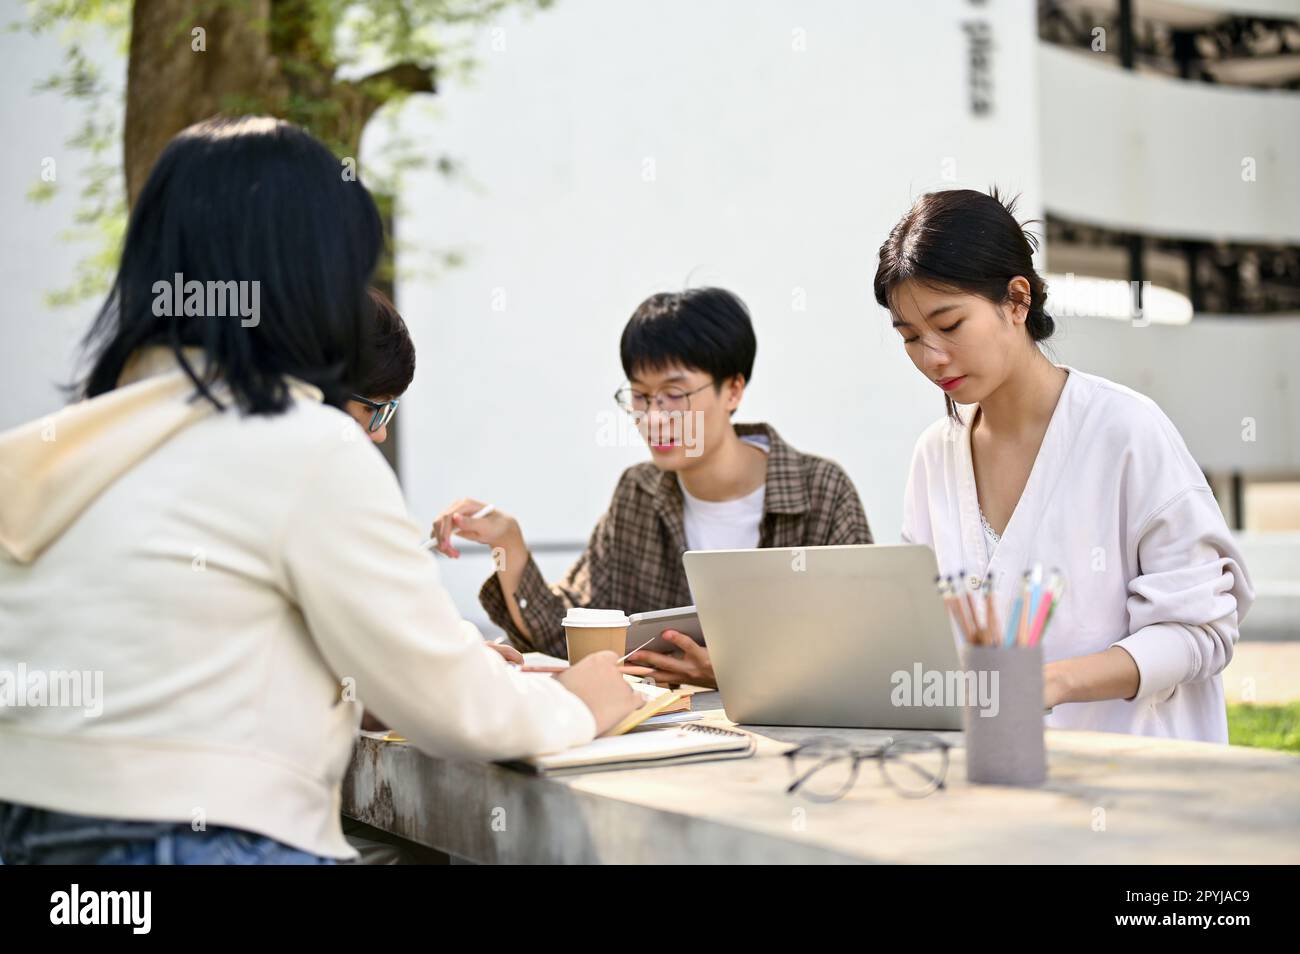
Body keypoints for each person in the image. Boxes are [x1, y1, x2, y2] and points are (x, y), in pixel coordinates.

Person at [0, 115, 637, 865]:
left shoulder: (62, 446)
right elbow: (458, 712)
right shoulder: (301, 443)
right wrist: (577, 705)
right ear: (311, 281)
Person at [876, 187, 1253, 742]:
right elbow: (925, 632)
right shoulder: (935, 455)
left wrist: (1052, 683)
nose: (932, 357)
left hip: (1137, 792)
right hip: (994, 788)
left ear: (1016, 300)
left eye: (950, 325)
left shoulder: (1125, 431)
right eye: (910, 337)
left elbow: (1201, 630)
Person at [433, 287, 873, 689]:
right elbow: (564, 635)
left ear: (733, 389)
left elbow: (864, 652)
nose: (654, 418)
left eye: (674, 395)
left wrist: (739, 674)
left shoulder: (821, 491)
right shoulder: (639, 493)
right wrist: (508, 544)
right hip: (668, 747)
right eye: (641, 397)